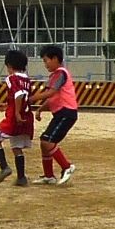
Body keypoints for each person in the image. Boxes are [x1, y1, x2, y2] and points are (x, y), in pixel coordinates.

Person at [29, 45, 78, 185]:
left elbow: (51, 93)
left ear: (55, 58)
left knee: (47, 141)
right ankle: (49, 175)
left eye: (46, 60)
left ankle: (67, 166)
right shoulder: (55, 75)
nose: (45, 64)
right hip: (61, 114)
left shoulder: (60, 73)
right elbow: (52, 98)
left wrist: (32, 98)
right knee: (44, 142)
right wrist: (40, 109)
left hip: (66, 113)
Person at [0, 50, 34, 187]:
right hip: (27, 118)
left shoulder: (12, 78)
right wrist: (8, 105)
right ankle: (21, 177)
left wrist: (16, 112)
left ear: (9, 65)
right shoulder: (27, 80)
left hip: (15, 118)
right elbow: (24, 97)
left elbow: (18, 94)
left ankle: (4, 167)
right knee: (16, 146)